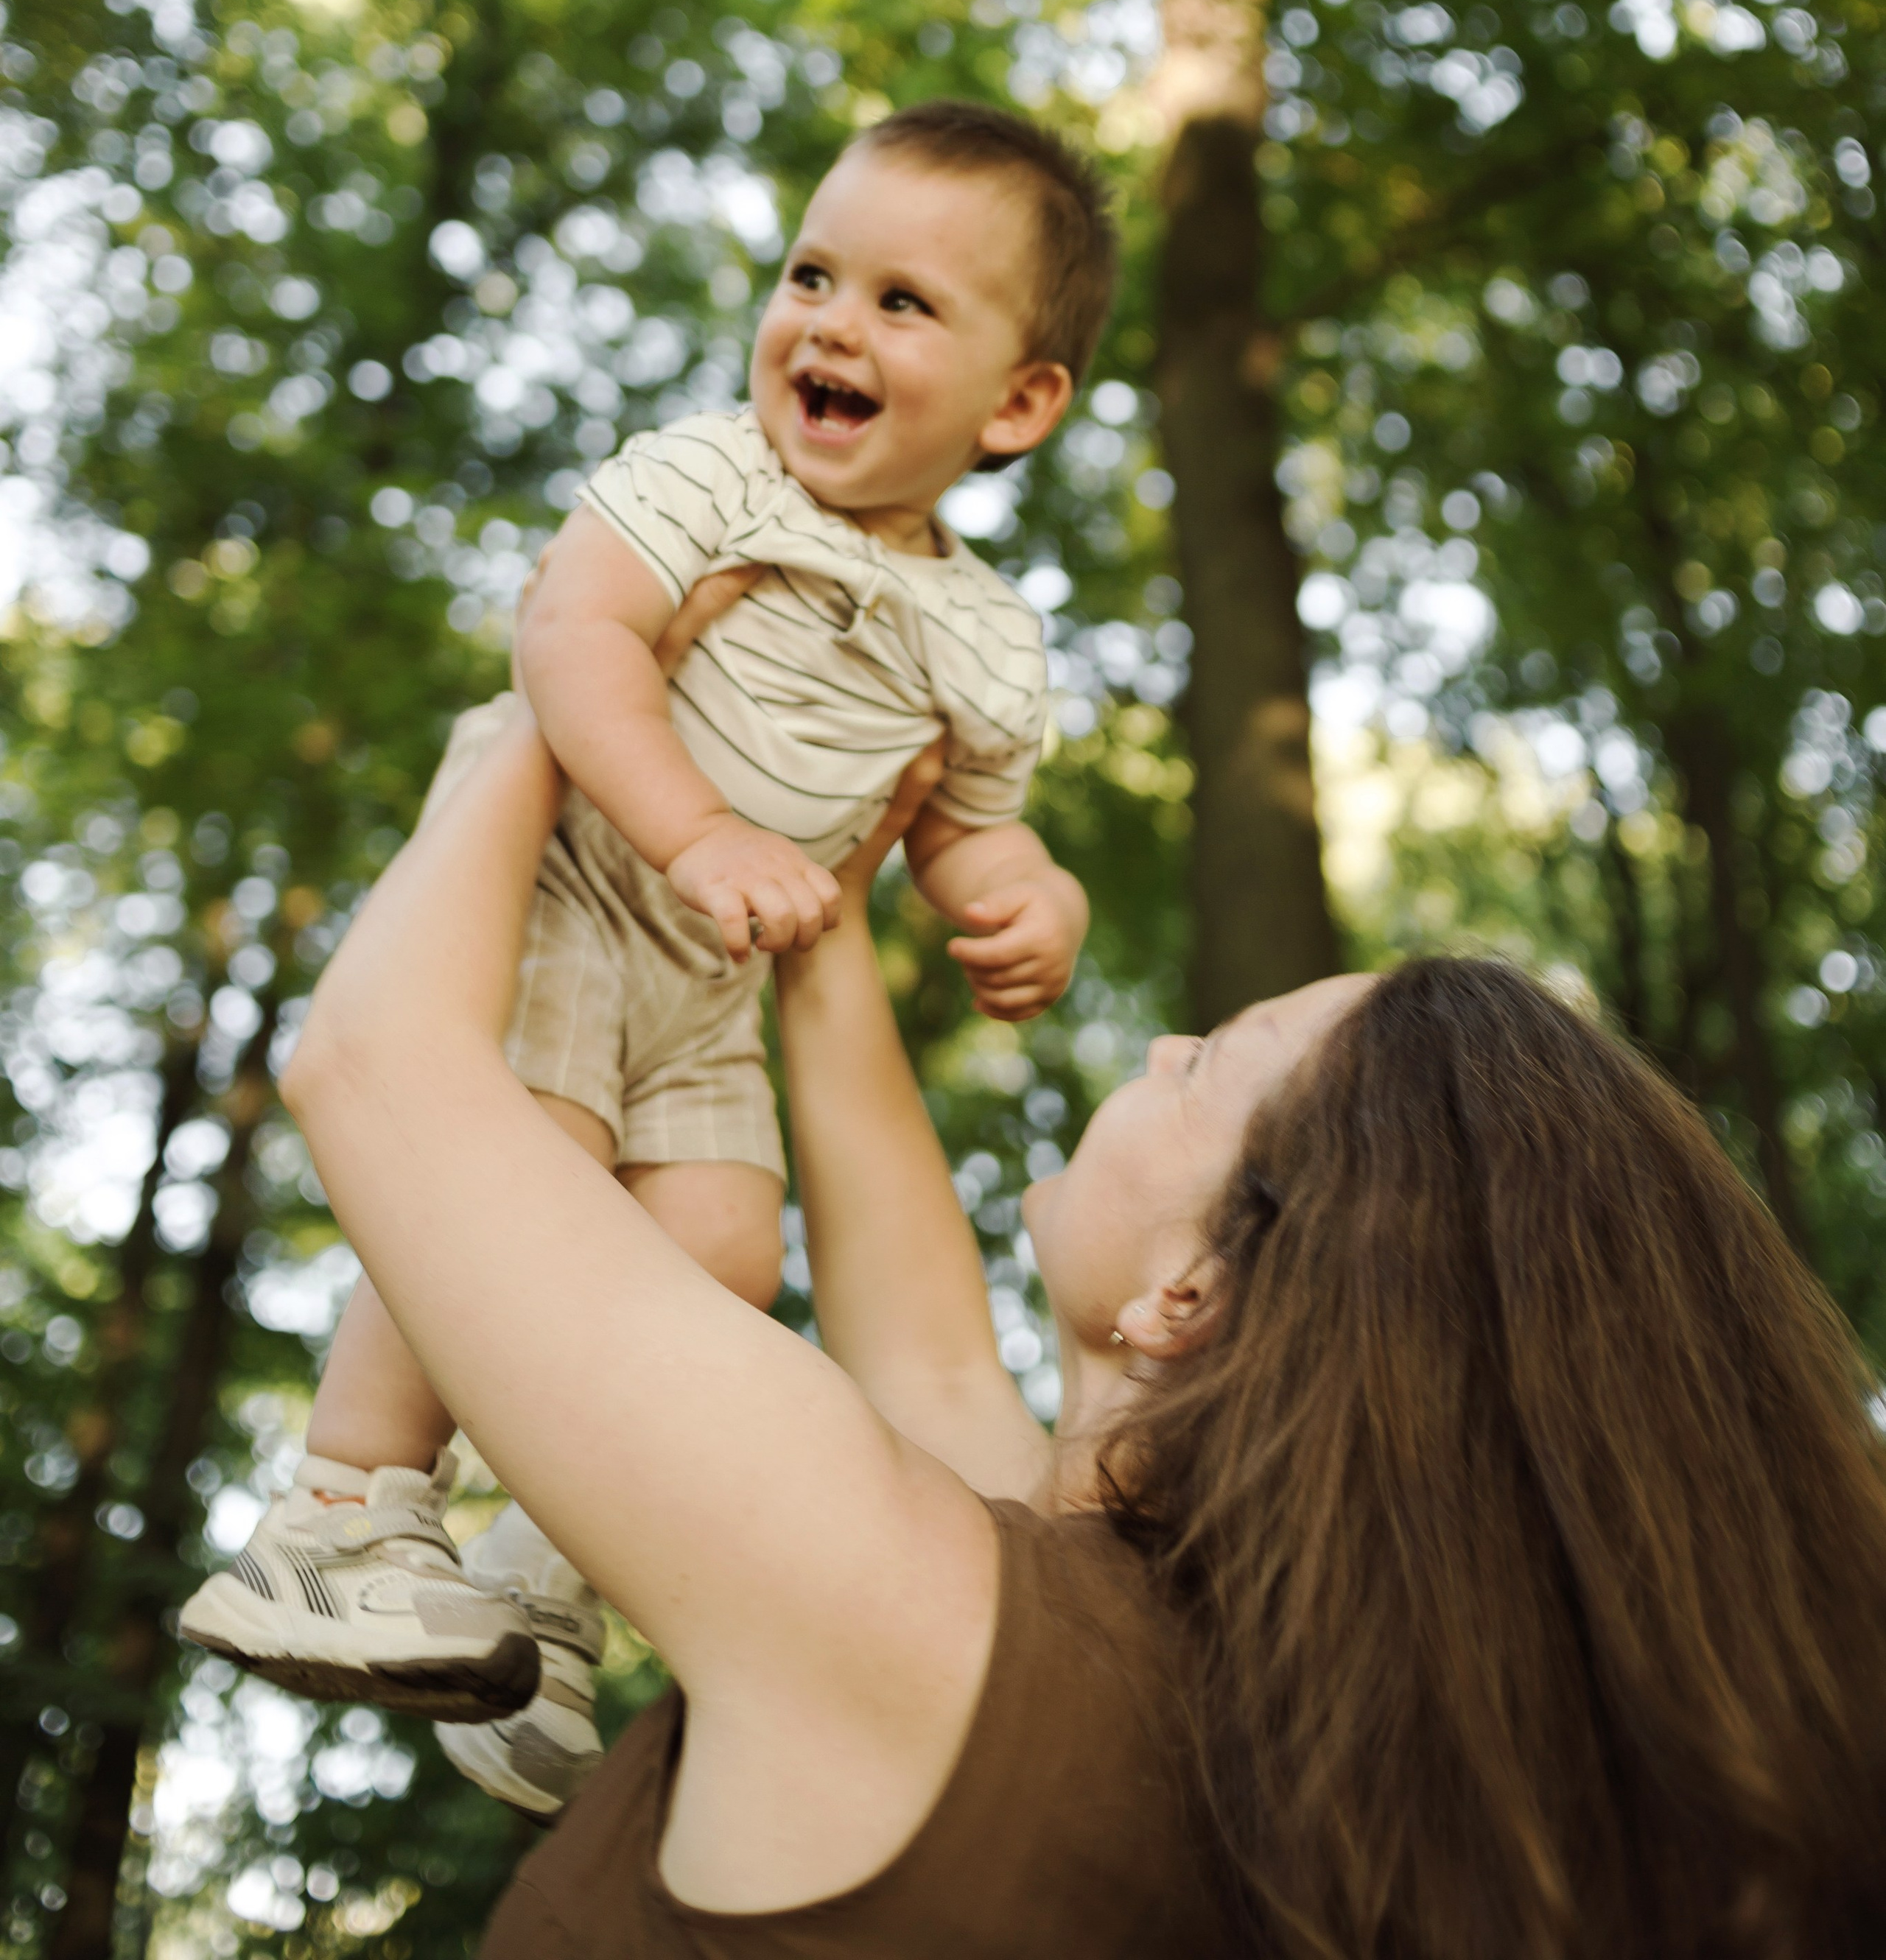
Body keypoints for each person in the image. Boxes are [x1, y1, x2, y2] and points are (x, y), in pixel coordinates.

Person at [273, 662, 1886, 1959]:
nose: (1153, 1050)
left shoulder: (909, 1605)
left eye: (1202, 1062)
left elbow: (375, 1065)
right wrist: (816, 878)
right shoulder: (1174, 1688)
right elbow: (919, 1340)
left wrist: (562, 698)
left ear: (1189, 1289)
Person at [179, 98, 1107, 1812]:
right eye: (810, 272)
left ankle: (542, 1569)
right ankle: (342, 1507)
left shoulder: (986, 633)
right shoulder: (711, 473)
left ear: (1019, 403)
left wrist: (1022, 889)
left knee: (724, 1255)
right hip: (586, 889)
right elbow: (572, 629)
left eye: (901, 303)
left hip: (711, 986)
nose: (825, 322)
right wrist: (694, 828)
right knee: (522, 1170)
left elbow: (951, 821)